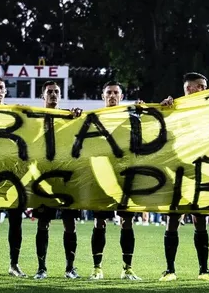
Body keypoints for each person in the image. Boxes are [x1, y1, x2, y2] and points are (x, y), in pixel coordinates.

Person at [159, 72, 209, 282]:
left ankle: (204, 270)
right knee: (172, 219)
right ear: (189, 88)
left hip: (200, 170)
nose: (204, 89)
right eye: (200, 86)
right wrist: (164, 108)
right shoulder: (172, 107)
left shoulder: (208, 109)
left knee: (200, 220)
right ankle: (169, 270)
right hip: (177, 171)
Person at [90, 81, 141, 281]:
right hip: (101, 176)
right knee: (99, 221)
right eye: (109, 92)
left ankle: (127, 268)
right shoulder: (93, 119)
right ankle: (97, 268)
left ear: (121, 96)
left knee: (127, 221)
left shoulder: (131, 118)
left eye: (116, 93)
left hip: (126, 176)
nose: (112, 96)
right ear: (103, 96)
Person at [32, 81, 83, 280]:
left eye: (56, 92)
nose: (53, 95)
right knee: (43, 223)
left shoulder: (68, 117)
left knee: (69, 223)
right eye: (49, 92)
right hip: (43, 178)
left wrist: (77, 116)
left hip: (66, 178)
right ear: (42, 96)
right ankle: (41, 268)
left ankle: (70, 268)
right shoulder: (34, 119)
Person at [0, 76, 28, 278]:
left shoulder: (14, 114)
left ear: (5, 91)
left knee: (15, 221)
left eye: (1, 88)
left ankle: (14, 264)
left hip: (13, 175)